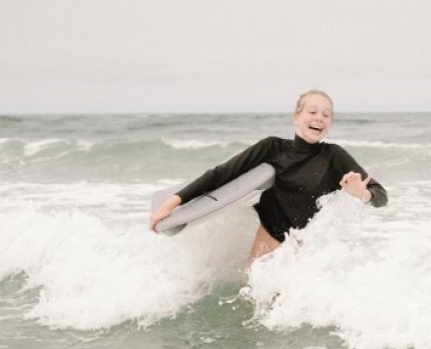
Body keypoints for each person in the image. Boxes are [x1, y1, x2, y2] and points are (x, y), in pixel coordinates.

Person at [149, 90, 388, 260]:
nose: (319, 118)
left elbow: (381, 196)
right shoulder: (272, 147)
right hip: (271, 231)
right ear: (296, 117)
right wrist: (173, 202)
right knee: (253, 297)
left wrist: (363, 194)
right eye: (312, 111)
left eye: (326, 115)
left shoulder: (335, 156)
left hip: (308, 240)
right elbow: (222, 174)